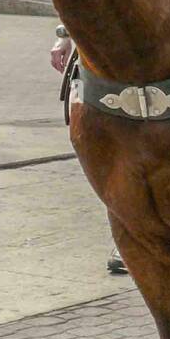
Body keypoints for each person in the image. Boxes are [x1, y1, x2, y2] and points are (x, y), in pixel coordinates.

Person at [50, 26, 128, 276]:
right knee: (102, 147)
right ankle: (128, 235)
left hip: (142, 59)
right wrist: (64, 36)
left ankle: (134, 235)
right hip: (94, 63)